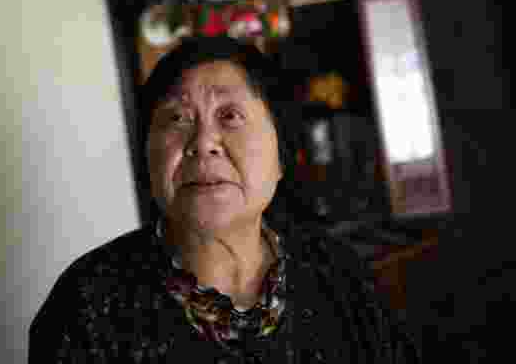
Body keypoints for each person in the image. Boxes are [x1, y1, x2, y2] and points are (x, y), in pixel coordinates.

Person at [29, 36, 420, 362]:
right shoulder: (88, 303)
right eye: (177, 119)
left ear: (282, 152)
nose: (203, 143)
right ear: (146, 156)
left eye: (230, 116)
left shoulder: (339, 273)